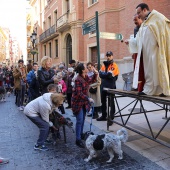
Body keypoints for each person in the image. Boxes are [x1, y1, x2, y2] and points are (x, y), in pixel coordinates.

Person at [125, 3, 170, 96]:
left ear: (145, 10)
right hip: (147, 54)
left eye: (139, 12)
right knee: (149, 72)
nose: (138, 15)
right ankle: (149, 89)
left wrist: (162, 42)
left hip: (157, 52)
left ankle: (162, 89)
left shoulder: (158, 17)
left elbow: (166, 32)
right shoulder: (145, 22)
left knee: (158, 70)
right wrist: (130, 42)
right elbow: (138, 39)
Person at [71, 63, 97, 148]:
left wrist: (96, 73)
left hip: (83, 102)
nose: (87, 68)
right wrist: (88, 98)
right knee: (79, 120)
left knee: (82, 119)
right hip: (78, 102)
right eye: (86, 67)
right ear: (83, 70)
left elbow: (91, 81)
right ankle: (78, 139)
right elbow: (79, 93)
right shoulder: (78, 79)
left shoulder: (85, 77)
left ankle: (81, 134)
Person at [97, 51, 119, 121]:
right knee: (103, 102)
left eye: (109, 55)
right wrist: (107, 75)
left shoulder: (114, 65)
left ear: (112, 56)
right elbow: (100, 74)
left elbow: (111, 76)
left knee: (111, 102)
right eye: (107, 56)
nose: (108, 57)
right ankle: (104, 116)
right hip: (103, 86)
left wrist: (105, 75)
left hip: (111, 86)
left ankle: (111, 117)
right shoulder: (104, 65)